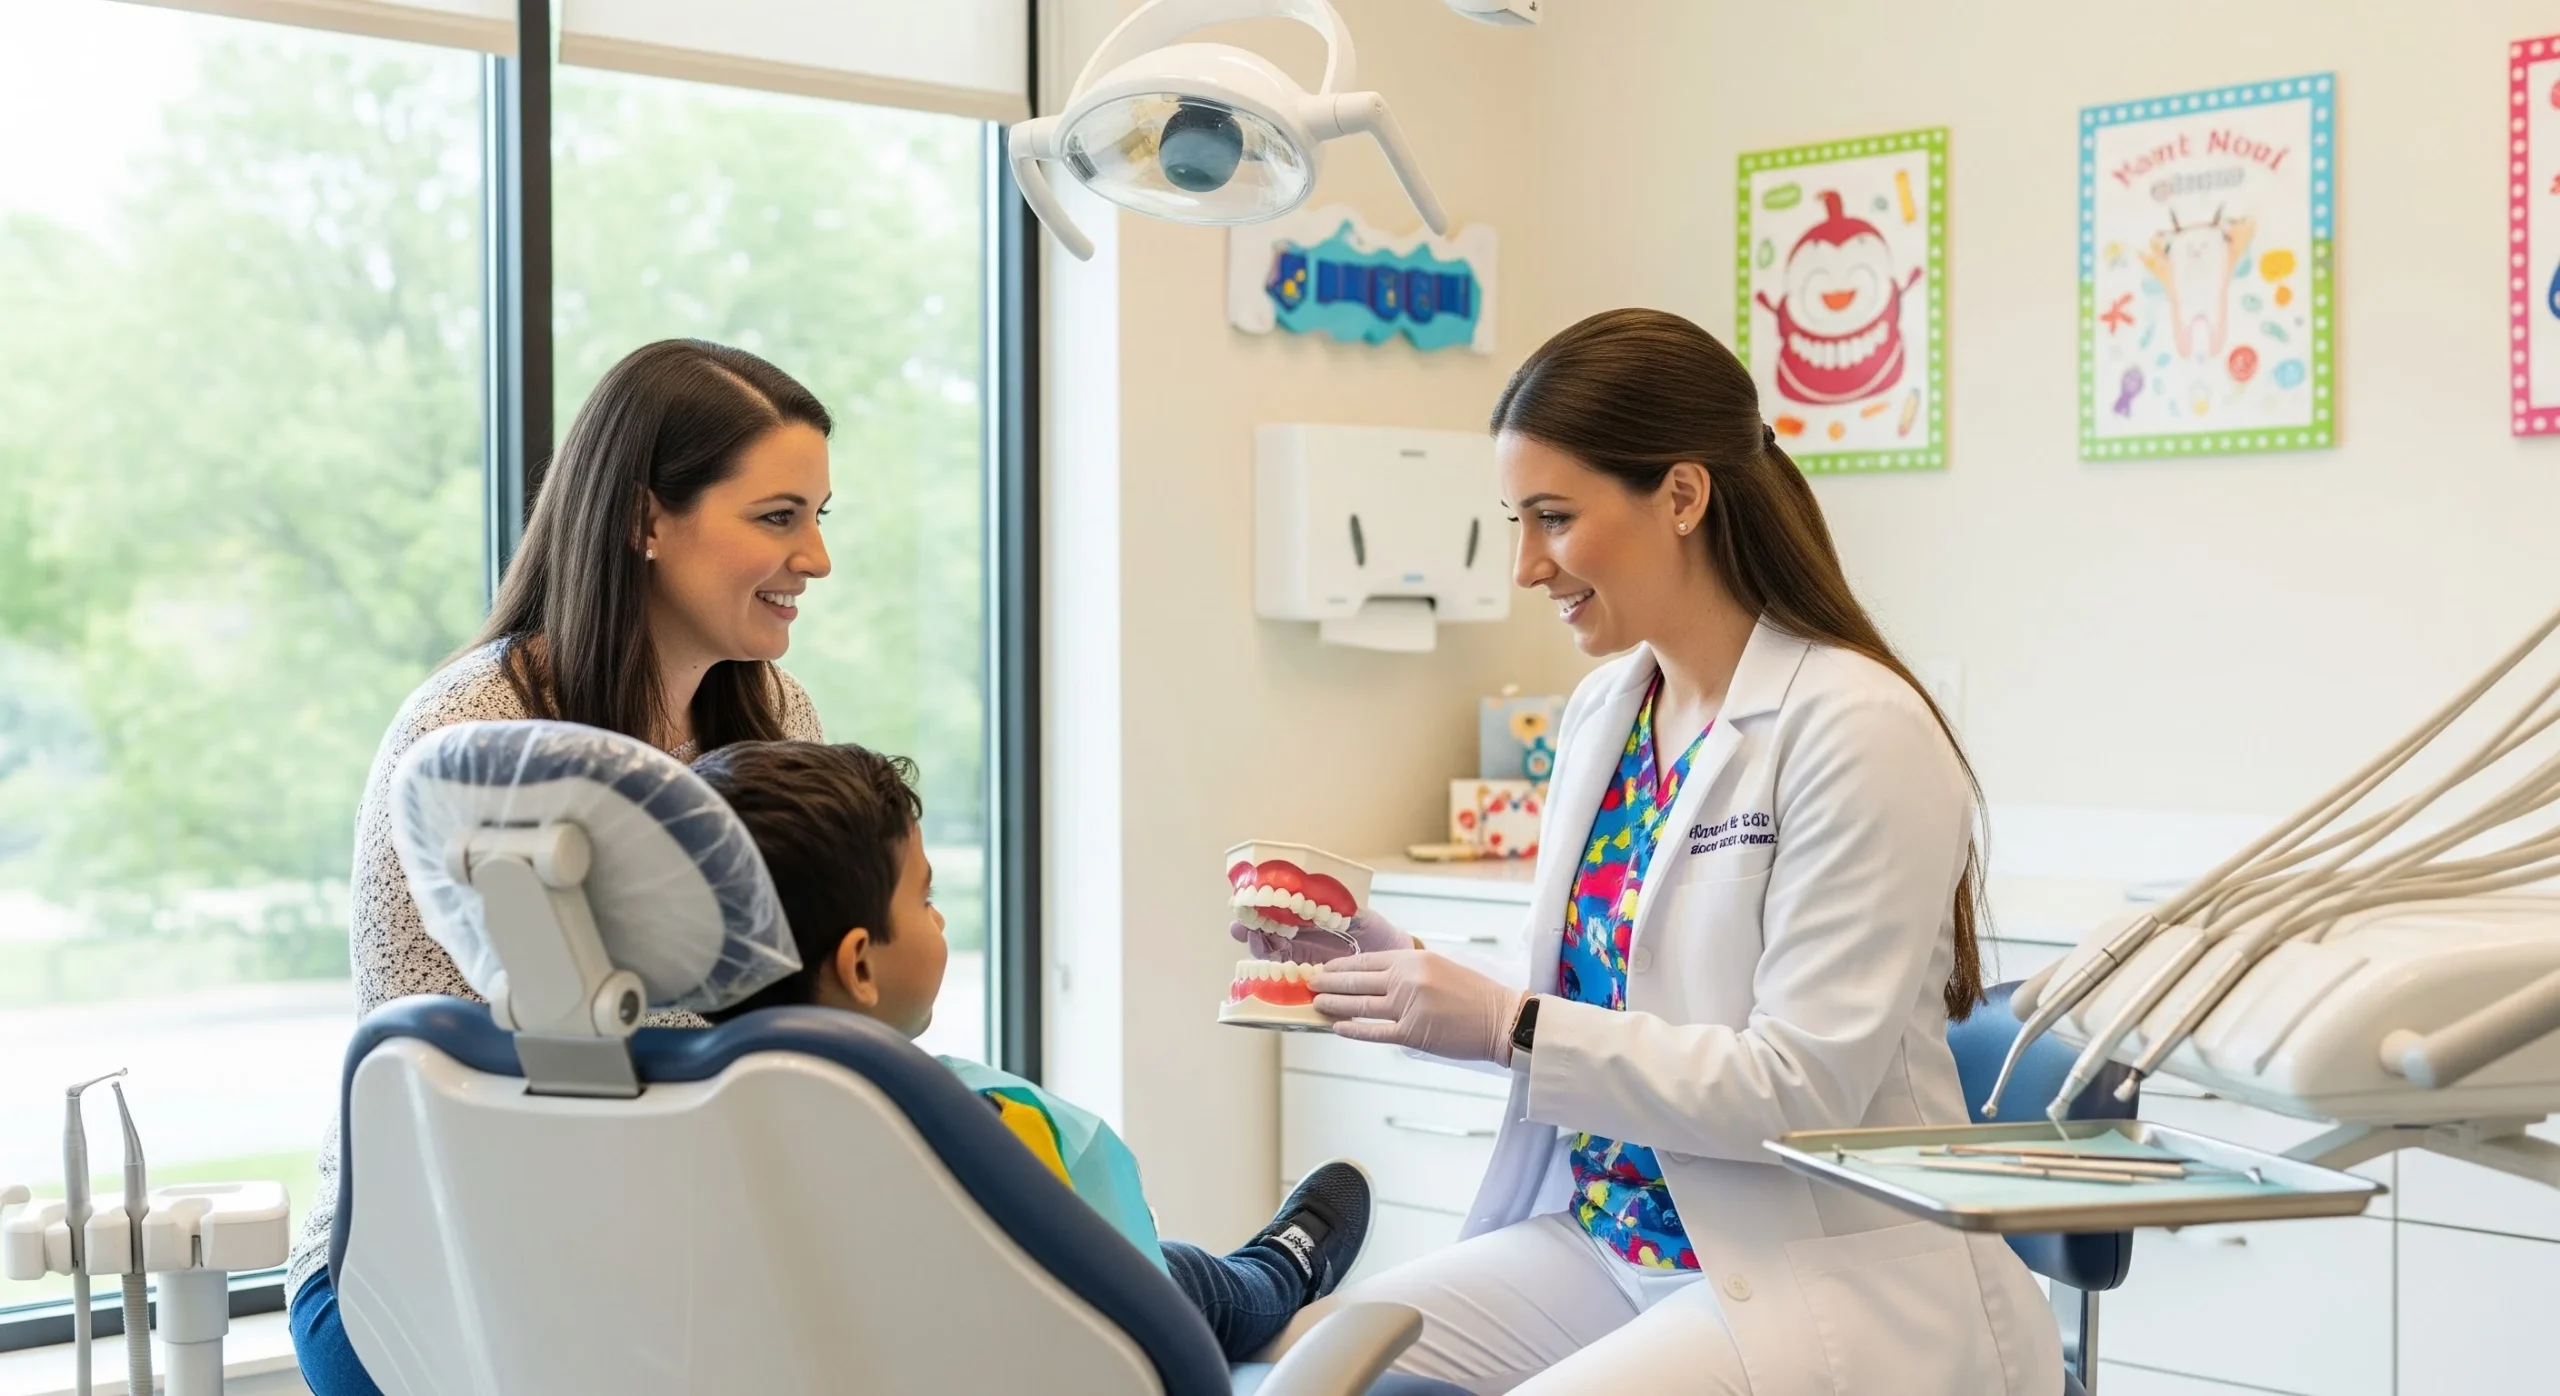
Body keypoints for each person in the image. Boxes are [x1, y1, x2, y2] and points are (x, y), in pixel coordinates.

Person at [1290, 308, 2063, 1394]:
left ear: (1684, 495)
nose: (1525, 566)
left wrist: (1508, 1024)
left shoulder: (1855, 728)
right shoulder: (1606, 711)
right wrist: (1395, 972)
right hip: (1612, 1246)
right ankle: (1258, 1287)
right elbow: (1603, 994)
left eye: (1554, 518)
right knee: (1322, 1361)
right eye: (1516, 521)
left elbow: (1798, 1089)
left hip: (1811, 1272)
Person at [289, 340, 839, 1395]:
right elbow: (445, 1083)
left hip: (670, 1245)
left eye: (820, 516)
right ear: (644, 520)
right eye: (778, 517)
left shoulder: (779, 719)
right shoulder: (472, 737)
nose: (814, 558)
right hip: (430, 1260)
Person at [692, 738, 1375, 1361]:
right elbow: (1139, 1338)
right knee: (1204, 1288)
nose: (940, 916)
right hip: (1073, 1337)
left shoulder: (678, 1120)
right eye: (925, 898)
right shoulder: (978, 1133)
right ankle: (1285, 1267)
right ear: (860, 965)